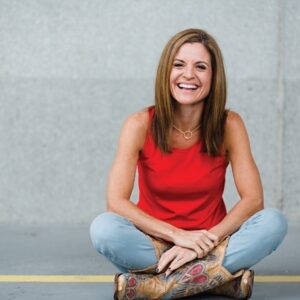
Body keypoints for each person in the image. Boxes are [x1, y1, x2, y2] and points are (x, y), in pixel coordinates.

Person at [90, 28, 288, 299]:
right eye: (179, 64)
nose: (189, 75)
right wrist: (178, 236)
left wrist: (203, 243)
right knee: (104, 229)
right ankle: (216, 279)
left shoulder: (230, 125)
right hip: (152, 242)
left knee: (273, 222)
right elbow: (116, 202)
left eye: (201, 67)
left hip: (212, 242)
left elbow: (253, 200)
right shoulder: (138, 124)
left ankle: (157, 286)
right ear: (166, 72)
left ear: (213, 76)